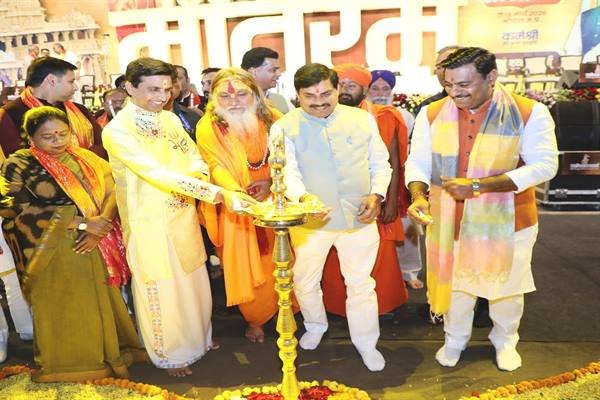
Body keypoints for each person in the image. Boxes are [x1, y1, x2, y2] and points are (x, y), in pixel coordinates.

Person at [405, 47, 558, 372]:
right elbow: (417, 163)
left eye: (464, 84)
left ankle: (505, 341)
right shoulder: (432, 113)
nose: (455, 93)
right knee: (455, 286)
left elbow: (545, 166)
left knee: (506, 289)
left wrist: (479, 186)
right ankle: (454, 339)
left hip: (510, 222)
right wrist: (418, 196)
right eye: (448, 84)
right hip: (448, 220)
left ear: (491, 77)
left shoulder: (529, 112)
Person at [102, 57, 255, 377]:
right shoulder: (118, 130)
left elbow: (193, 155)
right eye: (153, 89)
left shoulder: (169, 119)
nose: (162, 97)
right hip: (148, 221)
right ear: (129, 87)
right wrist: (210, 192)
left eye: (166, 89)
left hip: (182, 211)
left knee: (193, 280)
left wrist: (197, 177)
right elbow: (153, 172)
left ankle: (199, 340)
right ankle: (169, 354)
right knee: (162, 287)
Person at [0, 106, 144, 381]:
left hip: (95, 242)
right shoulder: (19, 164)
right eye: (48, 137)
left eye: (62, 134)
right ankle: (72, 364)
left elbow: (114, 189)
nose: (57, 141)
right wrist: (81, 223)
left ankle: (112, 355)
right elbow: (12, 207)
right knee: (66, 306)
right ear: (31, 138)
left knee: (101, 301)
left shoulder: (86, 158)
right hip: (52, 249)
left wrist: (100, 224)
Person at [272, 63, 392, 371]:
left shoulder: (362, 119)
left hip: (359, 217)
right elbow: (286, 172)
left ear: (338, 89)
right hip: (311, 221)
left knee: (361, 283)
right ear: (297, 95)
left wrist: (377, 195)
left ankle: (367, 343)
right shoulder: (284, 127)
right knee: (305, 280)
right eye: (310, 96)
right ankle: (315, 326)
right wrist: (303, 199)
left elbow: (381, 164)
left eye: (326, 93)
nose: (319, 102)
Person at [196, 68, 282, 343]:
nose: (233, 102)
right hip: (234, 204)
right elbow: (214, 164)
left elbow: (289, 158)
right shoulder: (208, 126)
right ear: (214, 98)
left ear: (255, 94)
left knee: (280, 258)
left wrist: (271, 182)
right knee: (242, 264)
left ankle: (283, 310)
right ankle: (255, 319)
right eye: (225, 96)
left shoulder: (274, 119)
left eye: (242, 94)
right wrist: (235, 193)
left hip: (274, 198)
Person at [318, 63, 407, 317]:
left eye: (352, 85)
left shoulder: (384, 116)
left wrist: (390, 202)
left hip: (374, 198)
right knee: (335, 255)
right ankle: (338, 307)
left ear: (365, 89)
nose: (345, 90)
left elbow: (393, 163)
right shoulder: (319, 117)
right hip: (335, 202)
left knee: (378, 255)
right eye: (341, 85)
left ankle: (381, 306)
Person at [366, 69, 422, 289]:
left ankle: (410, 271)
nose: (380, 93)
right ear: (367, 90)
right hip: (374, 177)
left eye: (385, 89)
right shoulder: (360, 115)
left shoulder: (403, 115)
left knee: (407, 227)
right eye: (375, 88)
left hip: (401, 177)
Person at [0, 57, 106, 159]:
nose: (76, 87)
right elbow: (16, 161)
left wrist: (86, 162)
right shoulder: (10, 114)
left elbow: (102, 146)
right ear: (51, 80)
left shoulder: (79, 110)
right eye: (71, 81)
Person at [412, 46, 461, 117]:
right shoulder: (427, 107)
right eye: (439, 67)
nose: (444, 71)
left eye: (450, 65)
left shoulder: (475, 102)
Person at [241, 47, 294, 114]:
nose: (279, 74)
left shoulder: (283, 102)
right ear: (253, 72)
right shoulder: (234, 103)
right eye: (273, 70)